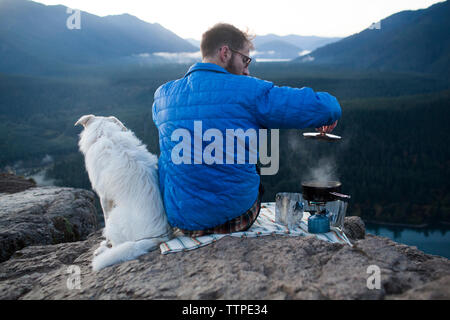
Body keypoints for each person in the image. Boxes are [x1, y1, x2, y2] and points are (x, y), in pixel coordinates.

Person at [152, 23, 341, 236]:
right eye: (245, 59)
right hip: (234, 218)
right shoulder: (250, 90)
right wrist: (329, 114)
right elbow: (326, 106)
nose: (247, 70)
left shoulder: (163, 95)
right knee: (252, 159)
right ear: (225, 53)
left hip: (182, 221)